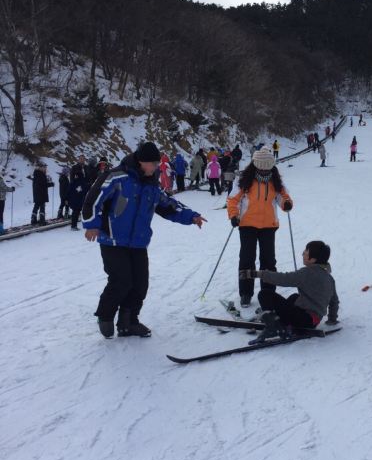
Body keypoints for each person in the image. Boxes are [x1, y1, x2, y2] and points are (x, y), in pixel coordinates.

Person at [82, 141, 205, 339]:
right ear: (141, 162)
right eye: (154, 164)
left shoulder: (151, 185)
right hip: (112, 239)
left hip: (138, 242)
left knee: (140, 284)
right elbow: (93, 198)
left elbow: (168, 205)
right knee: (121, 280)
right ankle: (105, 315)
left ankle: (128, 322)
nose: (157, 167)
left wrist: (191, 216)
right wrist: (91, 224)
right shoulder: (116, 177)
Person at [227, 147, 293, 308]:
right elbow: (232, 200)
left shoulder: (276, 180)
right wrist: (234, 215)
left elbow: (282, 197)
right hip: (247, 224)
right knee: (247, 259)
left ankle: (268, 292)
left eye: (267, 166)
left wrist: (286, 203)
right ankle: (246, 293)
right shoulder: (244, 179)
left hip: (269, 225)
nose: (264, 170)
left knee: (268, 261)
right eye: (261, 166)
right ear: (255, 164)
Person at [240, 240, 339, 338]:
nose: (303, 253)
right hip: (312, 322)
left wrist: (258, 274)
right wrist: (332, 319)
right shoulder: (329, 278)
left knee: (264, 294)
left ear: (313, 259)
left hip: (301, 319)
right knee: (295, 297)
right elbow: (334, 301)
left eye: (306, 251)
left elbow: (284, 279)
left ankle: (273, 326)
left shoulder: (307, 273)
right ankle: (274, 317)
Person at [69, 155, 90, 230]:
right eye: (80, 159)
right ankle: (73, 225)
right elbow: (71, 179)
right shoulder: (74, 167)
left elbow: (88, 177)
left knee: (85, 207)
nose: (82, 160)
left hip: (85, 189)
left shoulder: (86, 167)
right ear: (78, 160)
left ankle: (87, 223)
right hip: (77, 191)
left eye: (83, 159)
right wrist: (74, 186)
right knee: (76, 208)